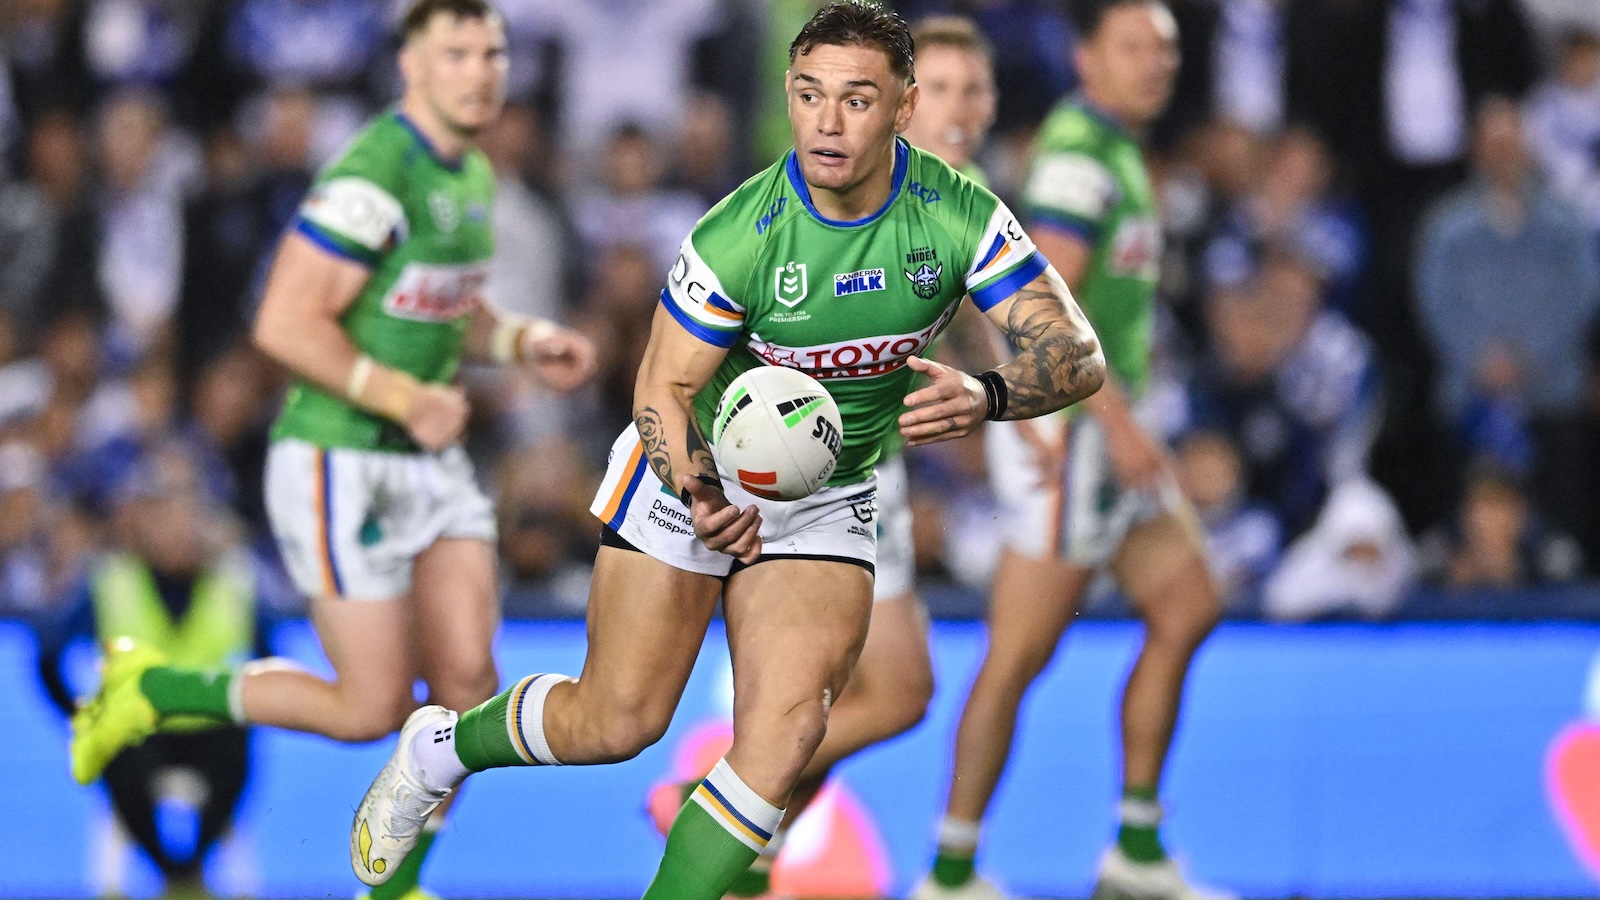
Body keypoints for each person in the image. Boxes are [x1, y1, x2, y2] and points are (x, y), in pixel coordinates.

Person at [346, 6, 1104, 900]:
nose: (828, 122)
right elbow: (659, 389)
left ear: (903, 108)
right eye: (810, 95)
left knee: (787, 737)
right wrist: (700, 489)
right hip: (693, 470)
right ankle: (441, 746)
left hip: (826, 490)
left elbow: (1076, 352)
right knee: (615, 721)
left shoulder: (959, 214)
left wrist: (988, 395)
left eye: (857, 100)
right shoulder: (741, 232)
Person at [66, 4, 597, 900]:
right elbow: (283, 322)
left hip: (427, 460)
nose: (481, 71)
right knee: (370, 707)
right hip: (338, 458)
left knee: (468, 690)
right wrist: (402, 398)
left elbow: (438, 302)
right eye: (456, 53)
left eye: (492, 53)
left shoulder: (470, 171)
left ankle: (395, 886)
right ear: (409, 67)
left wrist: (517, 341)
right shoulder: (371, 177)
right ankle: (156, 690)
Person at [644, 16, 1003, 894]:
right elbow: (672, 370)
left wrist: (990, 400)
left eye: (973, 91)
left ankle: (744, 838)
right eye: (941, 90)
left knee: (881, 697)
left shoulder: (962, 206)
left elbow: (966, 333)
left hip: (867, 463)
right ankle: (728, 801)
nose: (958, 110)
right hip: (782, 465)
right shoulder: (797, 204)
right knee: (859, 698)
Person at [915, 3, 1229, 900]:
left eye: (1166, 49)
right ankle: (950, 872)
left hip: (1104, 425)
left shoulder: (1112, 148)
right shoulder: (1077, 160)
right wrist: (1115, 425)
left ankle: (1136, 849)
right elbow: (1049, 316)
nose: (1156, 64)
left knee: (1189, 603)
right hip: (1077, 430)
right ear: (1086, 58)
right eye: (1134, 46)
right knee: (1018, 653)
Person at [37, 446, 271, 897]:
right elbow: (48, 655)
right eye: (165, 514)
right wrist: (80, 714)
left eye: (187, 514)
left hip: (212, 731)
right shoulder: (110, 579)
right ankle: (174, 873)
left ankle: (190, 867)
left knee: (239, 750)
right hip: (139, 730)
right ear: (140, 522)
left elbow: (268, 656)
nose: (178, 528)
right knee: (120, 758)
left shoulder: (236, 578)